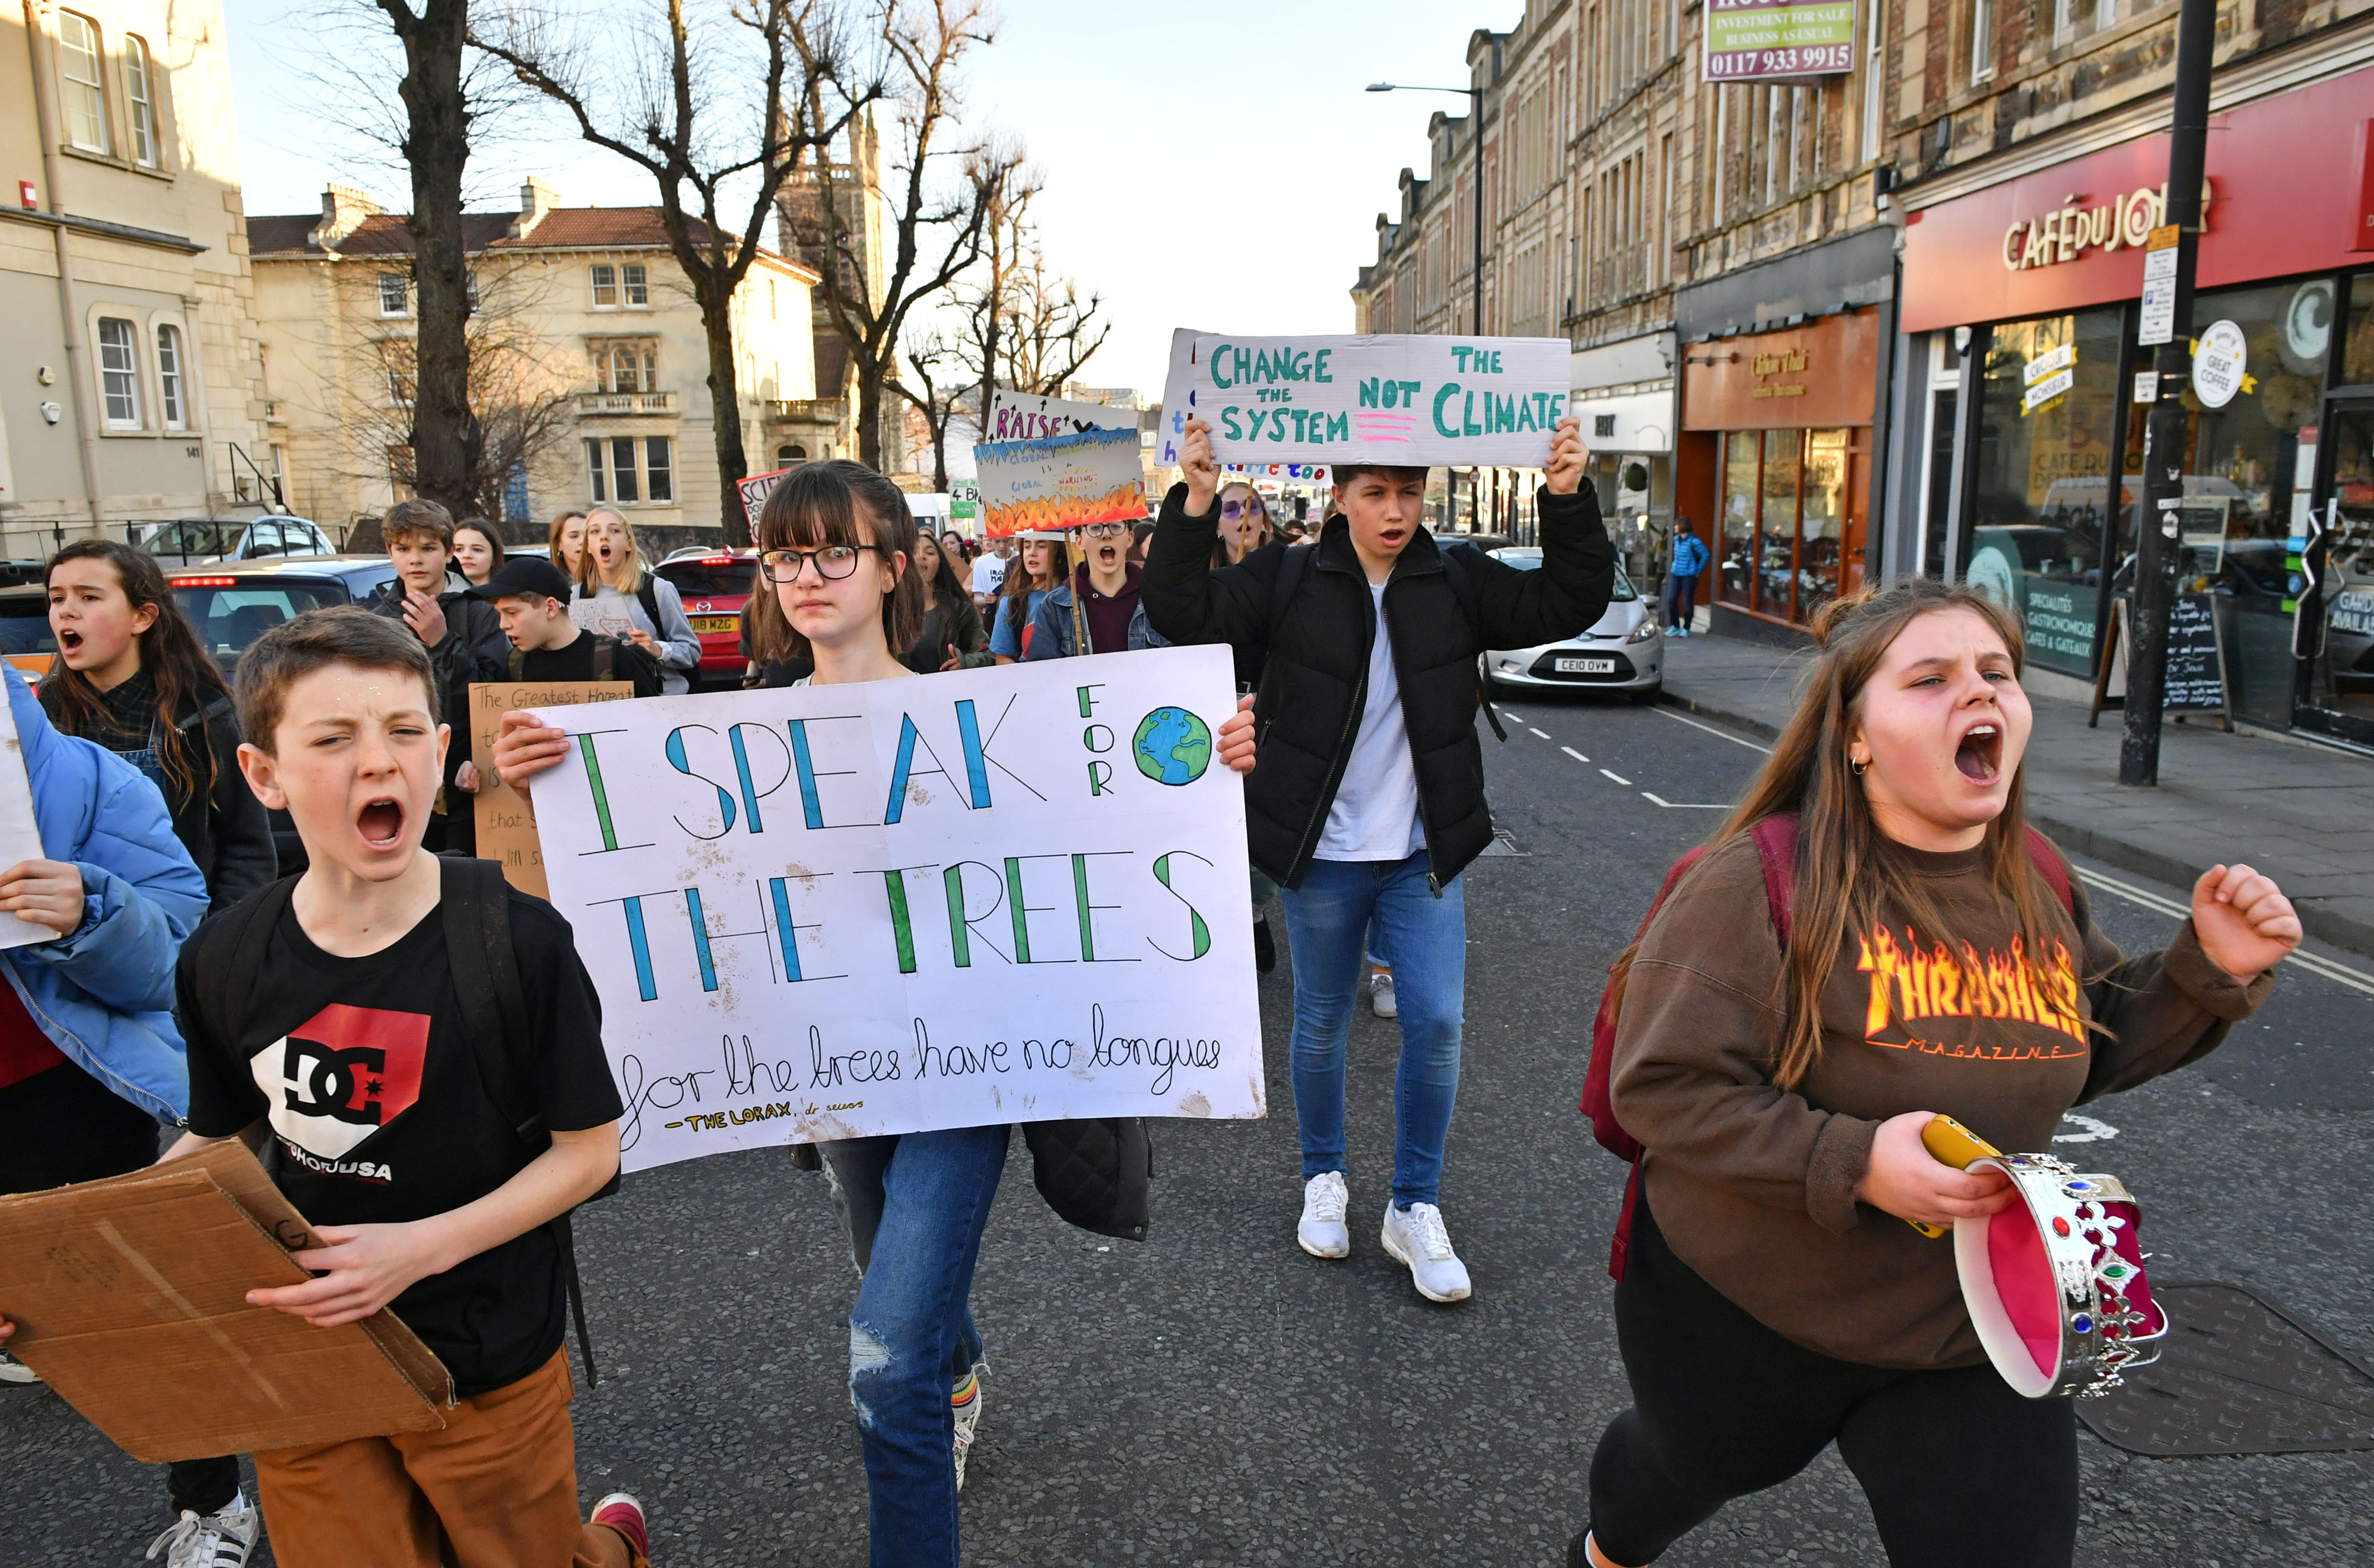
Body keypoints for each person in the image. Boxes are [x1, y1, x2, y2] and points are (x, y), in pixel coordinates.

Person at [492, 461, 1249, 1568]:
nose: (807, 574)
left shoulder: (986, 705)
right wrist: (547, 786)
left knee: (887, 1362)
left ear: (895, 567)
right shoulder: (734, 736)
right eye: (787, 554)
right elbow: (663, 875)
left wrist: (1208, 757)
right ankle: (958, 1362)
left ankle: (930, 1394)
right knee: (889, 1262)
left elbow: (1121, 810)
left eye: (835, 549)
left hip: (969, 1073)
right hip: (835, 1076)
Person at [1569, 579, 2298, 1568]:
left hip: (1967, 1329)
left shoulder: (2035, 879)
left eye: (1998, 673)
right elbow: (1661, 1089)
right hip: (1747, 1309)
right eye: (1932, 678)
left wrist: (2208, 970)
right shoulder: (1751, 881)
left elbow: (2086, 1044)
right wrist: (1856, 1160)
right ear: (1856, 734)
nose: (1979, 694)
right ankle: (1607, 1549)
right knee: (1682, 1470)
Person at [134, 607, 649, 1568]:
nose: (379, 763)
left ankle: (609, 1548)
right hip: (310, 1358)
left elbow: (590, 1152)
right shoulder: (224, 955)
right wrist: (59, 1261)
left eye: (405, 732)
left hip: (485, 1359)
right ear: (264, 775)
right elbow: (220, 1137)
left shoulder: (520, 942)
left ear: (441, 746)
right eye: (333, 739)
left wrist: (416, 1249)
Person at [1142, 412, 1608, 1304]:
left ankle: (1414, 1203)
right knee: (1319, 1019)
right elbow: (1183, 610)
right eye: (1376, 493)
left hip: (1422, 850)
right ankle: (1325, 1177)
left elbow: (1565, 601)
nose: (1395, 511)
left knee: (1434, 1022)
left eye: (1409, 492)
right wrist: (1195, 501)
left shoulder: (1455, 576)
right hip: (1323, 846)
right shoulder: (1288, 577)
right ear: (1339, 496)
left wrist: (1565, 497)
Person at [0, 664, 232, 1565]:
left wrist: (90, 907)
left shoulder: (92, 781)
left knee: (149, 1310)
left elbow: (179, 951)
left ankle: (209, 1501)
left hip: (65, 1092)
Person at [42, 539, 275, 913]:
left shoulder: (198, 711)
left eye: (89, 597)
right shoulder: (45, 715)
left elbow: (248, 847)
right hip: (73, 946)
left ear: (143, 617)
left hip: (178, 936)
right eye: (57, 599)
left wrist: (214, 942)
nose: (67, 612)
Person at [364, 498, 510, 855]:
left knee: (462, 878)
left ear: (448, 553)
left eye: (428, 548)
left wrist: (442, 642)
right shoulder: (371, 616)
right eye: (403, 548)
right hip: (394, 775)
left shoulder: (478, 612)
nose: (415, 559)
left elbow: (492, 694)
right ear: (390, 551)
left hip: (466, 778)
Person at [572, 509, 702, 696]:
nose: (604, 538)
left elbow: (691, 651)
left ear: (629, 544)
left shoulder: (657, 589)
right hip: (608, 703)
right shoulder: (577, 595)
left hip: (661, 702)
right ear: (588, 547)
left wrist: (657, 649)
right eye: (595, 532)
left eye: (614, 530)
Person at [1024, 519, 1162, 661]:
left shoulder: (1159, 598)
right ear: (1079, 542)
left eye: (1116, 526)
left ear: (1130, 538)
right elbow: (1045, 675)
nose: (1107, 534)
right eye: (1095, 528)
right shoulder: (1055, 607)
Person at [904, 529, 993, 675]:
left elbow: (989, 656)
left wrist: (964, 662)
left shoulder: (962, 611)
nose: (921, 557)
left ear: (941, 563)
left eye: (930, 553)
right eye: (915, 552)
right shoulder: (891, 612)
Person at [988, 535, 1067, 664]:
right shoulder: (1011, 603)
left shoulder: (1074, 598)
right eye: (1027, 546)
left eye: (1042, 546)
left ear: (1059, 554)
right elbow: (1003, 658)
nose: (1032, 553)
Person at [1664, 517, 1708, 636]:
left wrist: (1698, 569)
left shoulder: (1694, 542)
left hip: (1689, 576)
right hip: (1676, 574)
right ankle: (1675, 626)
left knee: (1687, 603)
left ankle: (1686, 628)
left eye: (1676, 525)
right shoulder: (1676, 540)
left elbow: (1705, 555)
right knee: (1672, 600)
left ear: (1682, 527)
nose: (1675, 527)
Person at [451, 518, 503, 588]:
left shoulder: (508, 597)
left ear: (494, 557)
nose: (467, 555)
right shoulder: (438, 596)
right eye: (459, 549)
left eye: (477, 550)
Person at [969, 534, 1013, 614]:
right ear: (991, 541)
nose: (1002, 546)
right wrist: (986, 600)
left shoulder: (1020, 558)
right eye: (997, 542)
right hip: (992, 614)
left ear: (1012, 540)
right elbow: (977, 598)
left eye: (1006, 541)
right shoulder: (981, 562)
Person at [548, 509, 589, 579]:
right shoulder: (547, 579)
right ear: (559, 543)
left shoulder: (608, 578)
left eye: (587, 535)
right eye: (574, 536)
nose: (583, 541)